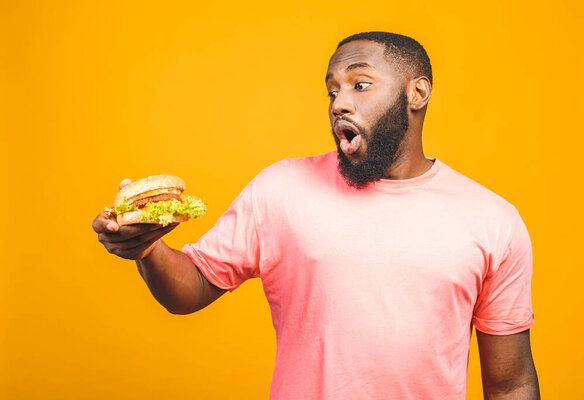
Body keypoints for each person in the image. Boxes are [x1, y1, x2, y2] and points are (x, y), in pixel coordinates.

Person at [93, 31, 540, 399]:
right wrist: (147, 246)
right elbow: (189, 290)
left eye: (359, 85)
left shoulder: (492, 220)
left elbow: (511, 384)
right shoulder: (281, 189)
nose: (339, 103)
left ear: (417, 92)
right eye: (332, 90)